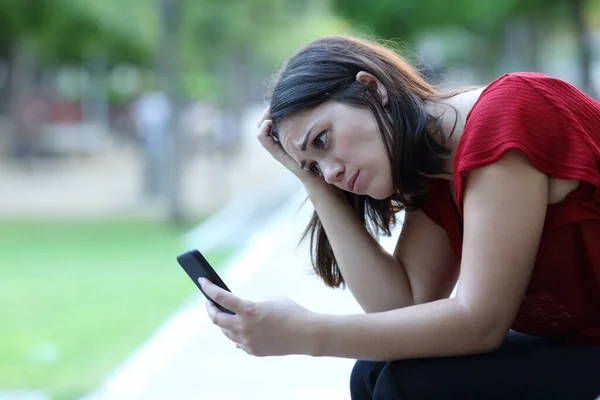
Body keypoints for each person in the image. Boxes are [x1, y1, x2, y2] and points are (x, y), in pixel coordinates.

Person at [199, 35, 600, 399]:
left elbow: (480, 322)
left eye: (323, 140)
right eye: (314, 165)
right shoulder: (436, 173)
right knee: (373, 373)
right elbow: (400, 305)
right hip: (578, 341)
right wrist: (315, 186)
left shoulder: (505, 117)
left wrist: (307, 333)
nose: (331, 172)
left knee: (406, 387)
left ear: (372, 87)